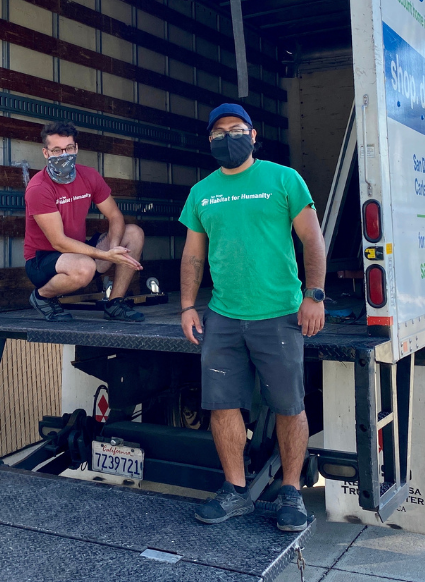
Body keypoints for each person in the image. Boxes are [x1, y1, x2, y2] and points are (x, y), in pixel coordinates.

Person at [178, 103, 325, 532]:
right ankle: (235, 490)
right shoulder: (201, 192)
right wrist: (188, 305)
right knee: (222, 405)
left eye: (237, 129)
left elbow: (312, 240)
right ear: (210, 141)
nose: (229, 137)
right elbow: (192, 255)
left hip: (279, 314)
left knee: (288, 405)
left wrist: (314, 296)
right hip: (223, 316)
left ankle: (292, 493)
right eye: (220, 132)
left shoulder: (283, 179)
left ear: (254, 135)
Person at [24, 120, 146, 322]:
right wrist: (105, 255)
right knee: (85, 267)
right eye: (56, 151)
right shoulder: (39, 188)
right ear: (46, 153)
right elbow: (58, 242)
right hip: (42, 260)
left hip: (78, 252)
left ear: (76, 148)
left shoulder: (89, 175)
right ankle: (42, 297)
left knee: (134, 233)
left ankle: (115, 303)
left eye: (68, 148)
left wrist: (114, 248)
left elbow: (115, 215)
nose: (64, 155)